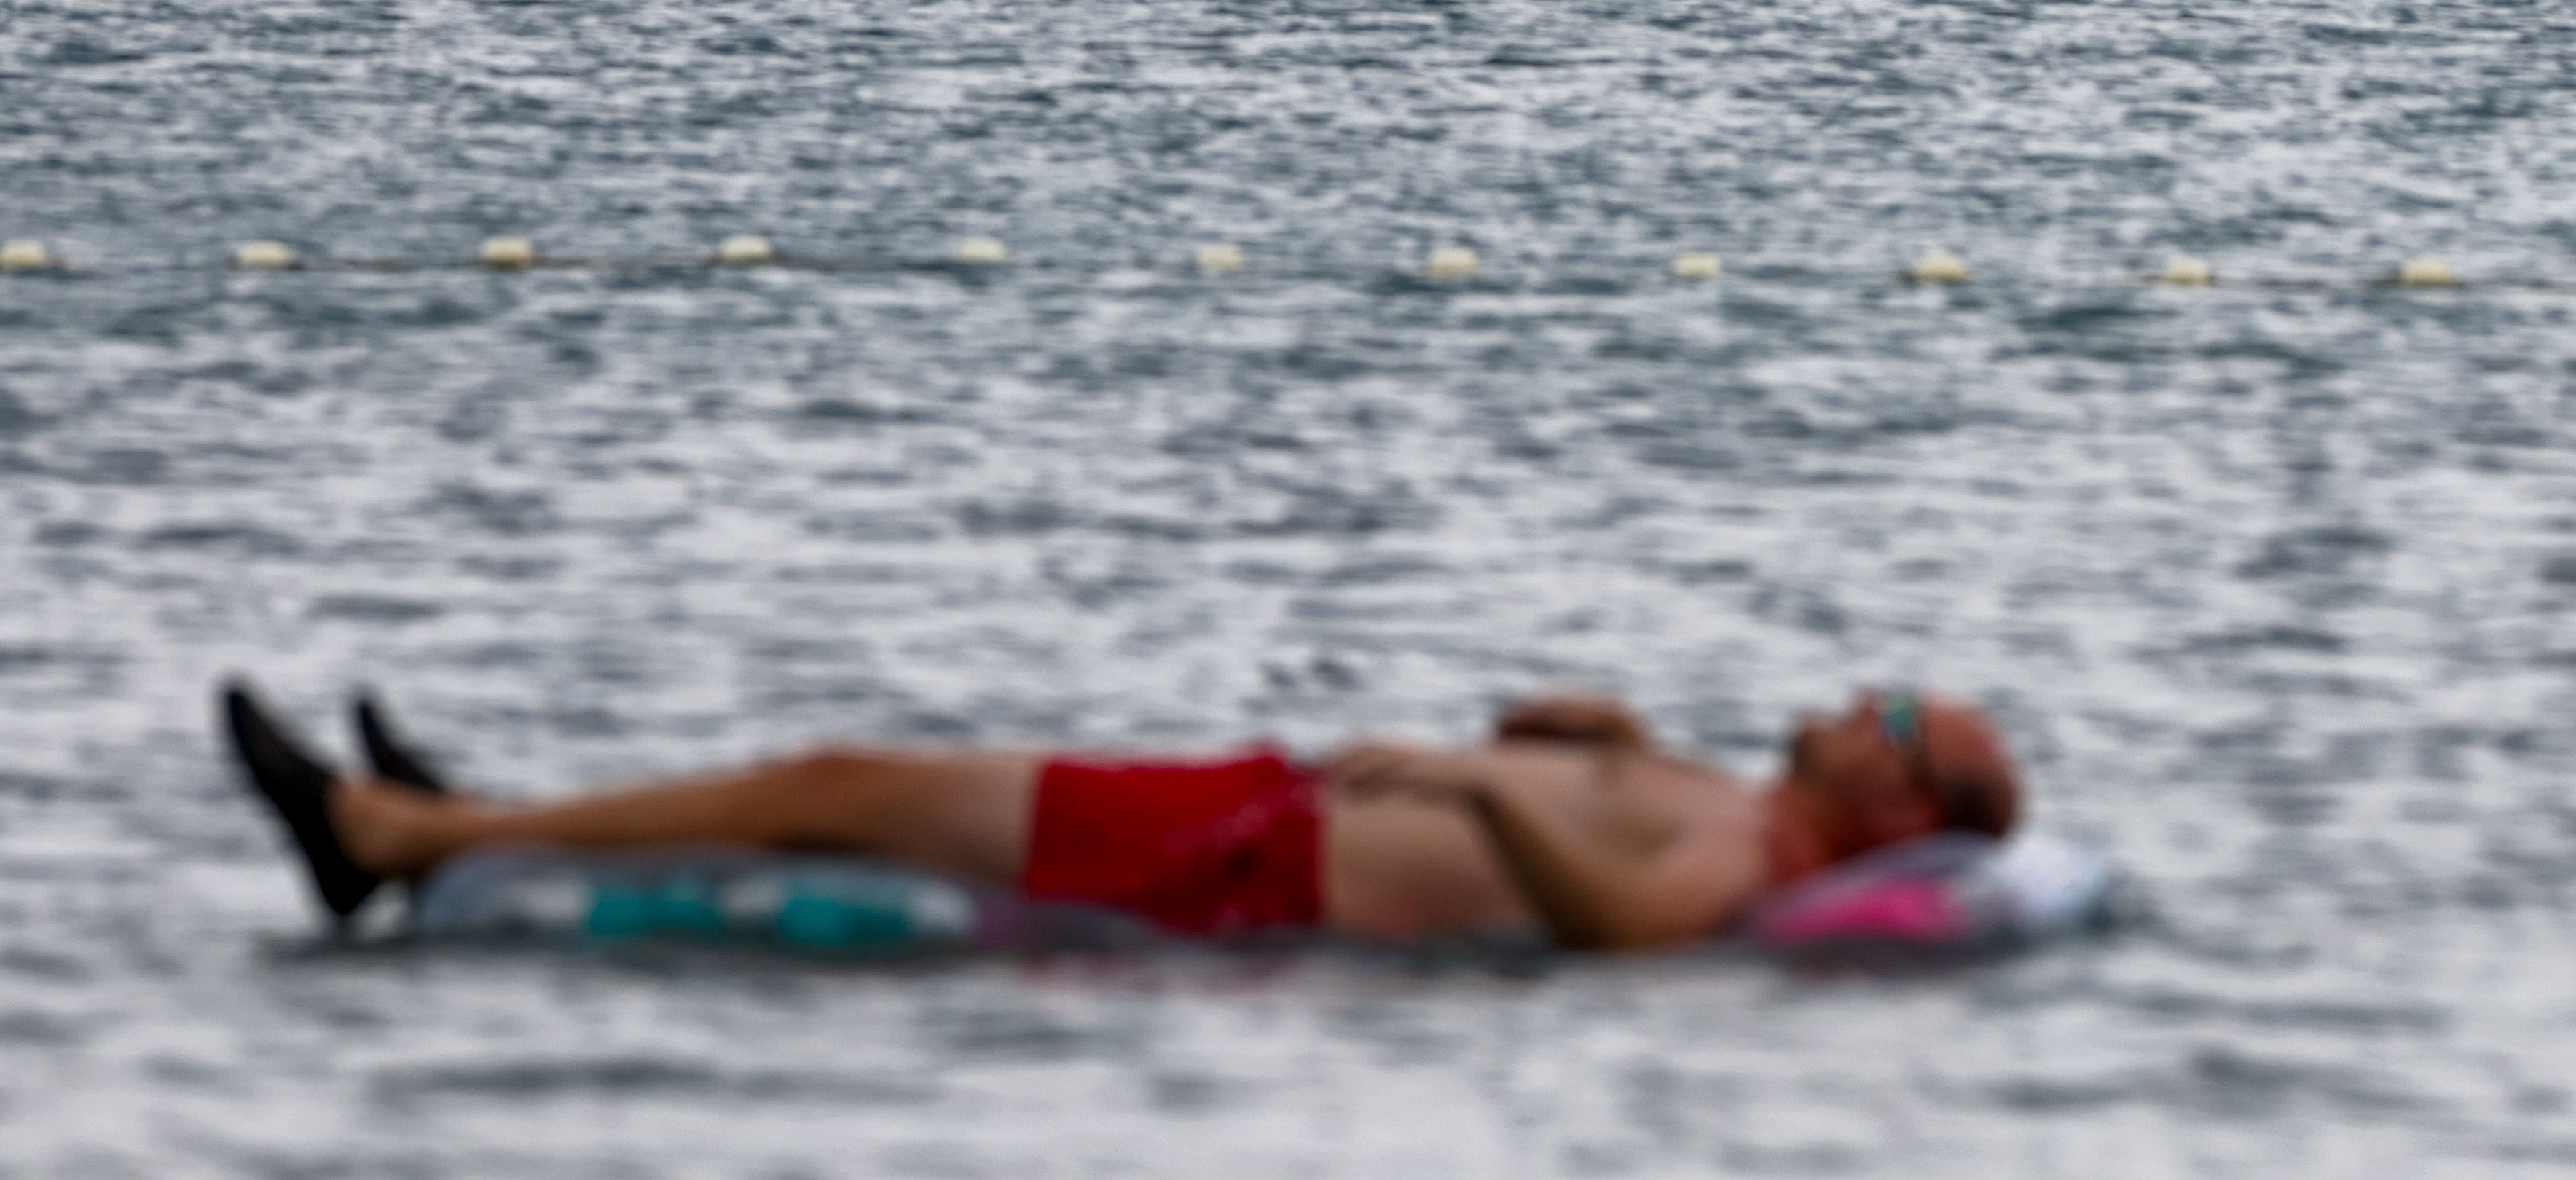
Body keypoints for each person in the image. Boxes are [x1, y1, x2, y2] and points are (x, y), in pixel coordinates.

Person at [223, 683, 2021, 952]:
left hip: (1237, 863)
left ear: (1893, 800)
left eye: (1886, 714)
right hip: (1259, 811)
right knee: (839, 793)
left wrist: (1491, 785)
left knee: (840, 792)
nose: (1853, 696)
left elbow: (1625, 939)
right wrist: (1592, 734)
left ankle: (394, 837)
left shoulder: (1757, 859)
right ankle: (456, 825)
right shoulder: (1731, 790)